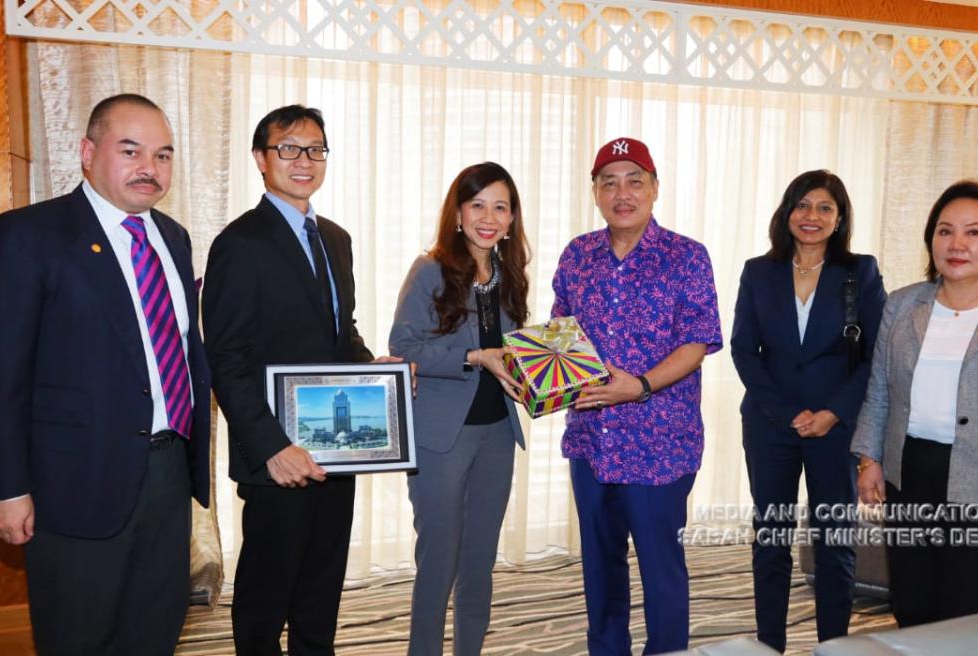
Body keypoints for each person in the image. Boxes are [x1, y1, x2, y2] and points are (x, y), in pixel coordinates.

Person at [0, 93, 211, 654]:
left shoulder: (173, 238)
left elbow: (180, 348)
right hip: (75, 483)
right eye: (131, 151)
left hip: (169, 474)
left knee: (153, 632)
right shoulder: (26, 236)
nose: (149, 168)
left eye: (163, 155)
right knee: (78, 638)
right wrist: (5, 487)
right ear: (88, 152)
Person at [203, 105, 397, 655]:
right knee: (266, 595)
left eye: (315, 149)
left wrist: (372, 371)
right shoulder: (239, 243)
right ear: (261, 159)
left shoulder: (336, 238)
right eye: (288, 148)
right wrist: (272, 448)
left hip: (335, 452)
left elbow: (341, 333)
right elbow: (226, 359)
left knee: (321, 588)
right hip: (277, 459)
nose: (304, 160)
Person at [851, 180, 978, 628]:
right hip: (909, 472)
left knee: (968, 612)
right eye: (945, 231)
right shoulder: (903, 304)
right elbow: (880, 388)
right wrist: (869, 459)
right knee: (911, 603)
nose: (956, 244)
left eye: (974, 232)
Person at [551, 137, 723, 655]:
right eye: (609, 183)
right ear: (595, 192)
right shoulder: (578, 255)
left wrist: (641, 385)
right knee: (600, 569)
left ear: (654, 188)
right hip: (592, 441)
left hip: (660, 444)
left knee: (660, 570)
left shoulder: (687, 257)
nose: (621, 193)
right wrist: (541, 378)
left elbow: (698, 341)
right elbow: (560, 335)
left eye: (634, 181)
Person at [731, 170, 886, 652]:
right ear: (787, 213)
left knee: (835, 540)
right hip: (769, 424)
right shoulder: (759, 271)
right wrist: (786, 413)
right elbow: (743, 349)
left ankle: (833, 645)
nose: (811, 216)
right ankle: (769, 645)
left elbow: (877, 354)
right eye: (802, 205)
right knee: (771, 537)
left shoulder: (860, 272)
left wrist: (833, 412)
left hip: (836, 428)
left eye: (824, 207)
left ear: (839, 218)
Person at [389, 162, 530, 655]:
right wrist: (473, 357)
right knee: (438, 562)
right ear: (457, 213)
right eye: (477, 205)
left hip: (498, 433)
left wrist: (537, 373)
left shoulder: (509, 275)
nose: (488, 218)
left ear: (511, 219)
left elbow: (511, 352)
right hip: (441, 436)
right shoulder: (430, 269)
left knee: (479, 561)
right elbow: (403, 347)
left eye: (500, 207)